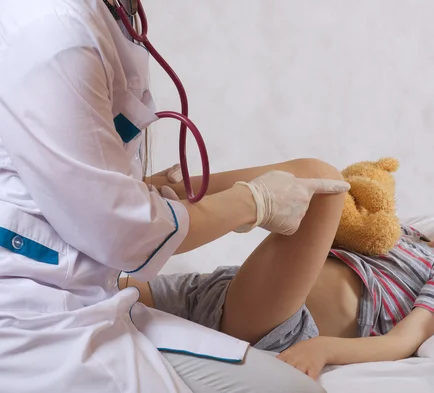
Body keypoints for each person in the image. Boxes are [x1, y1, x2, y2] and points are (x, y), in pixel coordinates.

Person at [0, 1, 350, 392]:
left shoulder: (101, 19)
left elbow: (63, 177)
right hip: (40, 310)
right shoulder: (53, 31)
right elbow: (122, 232)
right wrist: (253, 202)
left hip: (97, 283)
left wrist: (138, 188)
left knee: (321, 180)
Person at [125, 181, 434, 380]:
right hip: (229, 288)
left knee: (325, 187)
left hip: (278, 327)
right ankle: (165, 197)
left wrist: (324, 349)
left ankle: (171, 199)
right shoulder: (408, 233)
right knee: (115, 290)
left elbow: (403, 342)